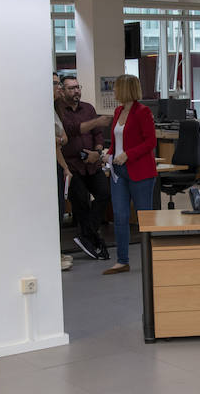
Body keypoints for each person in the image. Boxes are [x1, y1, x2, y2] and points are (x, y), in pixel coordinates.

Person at [104, 74, 157, 275]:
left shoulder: (143, 112)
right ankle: (122, 260)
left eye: (117, 88)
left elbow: (150, 142)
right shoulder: (118, 111)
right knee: (120, 215)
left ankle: (149, 259)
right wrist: (108, 154)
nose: (114, 92)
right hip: (118, 171)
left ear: (125, 89)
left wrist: (128, 155)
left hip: (140, 171)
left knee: (144, 217)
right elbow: (116, 141)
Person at [56, 74, 112, 261]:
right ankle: (92, 239)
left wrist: (97, 151)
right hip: (72, 165)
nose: (76, 91)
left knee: (104, 194)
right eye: (71, 88)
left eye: (77, 87)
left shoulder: (88, 108)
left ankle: (86, 236)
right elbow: (72, 129)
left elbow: (98, 134)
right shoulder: (59, 110)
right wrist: (97, 121)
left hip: (92, 162)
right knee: (81, 204)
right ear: (62, 91)